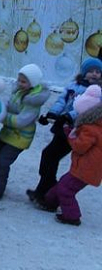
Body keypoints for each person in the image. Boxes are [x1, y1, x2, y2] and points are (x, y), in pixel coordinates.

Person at [27, 57, 102, 204]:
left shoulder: (97, 91)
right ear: (84, 72)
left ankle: (48, 192)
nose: (94, 74)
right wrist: (53, 114)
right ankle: (45, 190)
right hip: (64, 126)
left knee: (50, 156)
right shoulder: (74, 85)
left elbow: (87, 109)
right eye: (91, 71)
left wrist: (69, 116)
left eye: (98, 72)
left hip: (78, 131)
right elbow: (62, 100)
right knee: (49, 156)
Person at [0, 63, 50, 204]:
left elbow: (21, 121)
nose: (20, 83)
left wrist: (2, 116)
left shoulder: (33, 101)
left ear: (33, 83)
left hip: (20, 138)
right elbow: (8, 103)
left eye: (24, 81)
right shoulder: (19, 91)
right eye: (19, 80)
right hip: (7, 133)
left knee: (3, 161)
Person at [37, 85, 102, 226]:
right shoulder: (94, 126)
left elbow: (80, 147)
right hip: (85, 167)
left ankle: (72, 216)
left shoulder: (90, 129)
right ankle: (50, 201)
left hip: (86, 169)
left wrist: (69, 135)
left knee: (66, 188)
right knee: (64, 182)